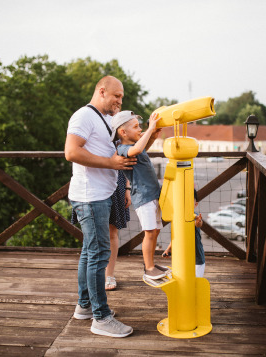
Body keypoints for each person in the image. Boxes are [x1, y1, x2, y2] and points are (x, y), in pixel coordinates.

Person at [65, 75, 136, 338]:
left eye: (122, 97)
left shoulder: (106, 119)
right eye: (117, 96)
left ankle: (84, 306)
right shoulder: (83, 116)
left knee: (89, 252)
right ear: (102, 91)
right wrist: (111, 165)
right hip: (89, 197)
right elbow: (71, 152)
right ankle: (101, 317)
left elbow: (120, 151)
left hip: (100, 195)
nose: (120, 100)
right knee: (98, 254)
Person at [111, 110, 166, 280]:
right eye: (136, 127)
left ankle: (151, 263)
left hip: (153, 194)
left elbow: (141, 149)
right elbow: (136, 150)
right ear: (123, 132)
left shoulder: (134, 146)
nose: (140, 129)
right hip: (144, 197)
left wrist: (152, 136)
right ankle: (148, 268)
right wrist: (150, 129)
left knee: (155, 231)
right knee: (149, 232)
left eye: (141, 127)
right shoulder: (122, 148)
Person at [162, 189, 206, 277]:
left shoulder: (194, 216)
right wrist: (169, 248)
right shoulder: (177, 217)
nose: (186, 204)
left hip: (196, 259)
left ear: (195, 204)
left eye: (190, 201)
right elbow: (176, 237)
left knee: (195, 281)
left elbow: (198, 224)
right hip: (182, 258)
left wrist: (198, 221)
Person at [105, 173, 131, 291]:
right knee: (92, 233)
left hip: (117, 184)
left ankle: (109, 274)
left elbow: (127, 163)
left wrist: (127, 188)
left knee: (112, 231)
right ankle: (95, 274)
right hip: (92, 185)